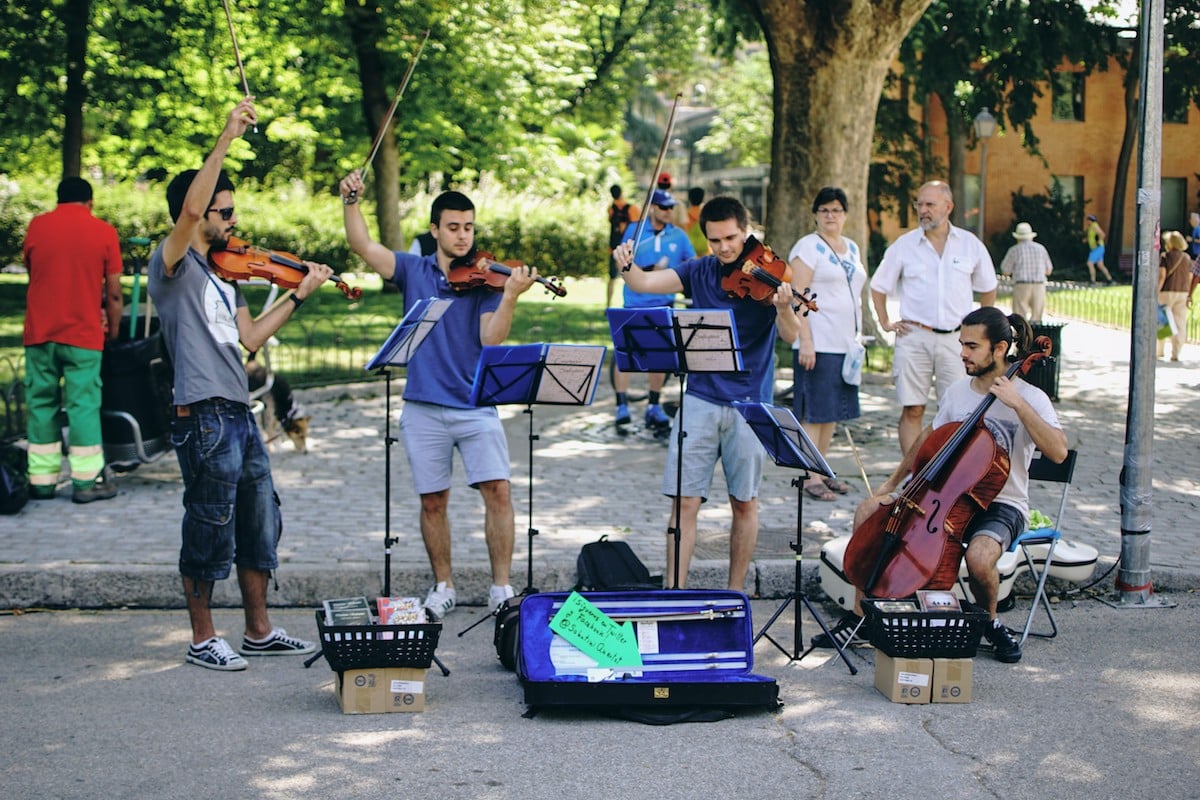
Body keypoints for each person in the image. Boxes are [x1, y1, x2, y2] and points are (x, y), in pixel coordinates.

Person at [149, 98, 330, 670]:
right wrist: (227, 135)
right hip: (200, 413)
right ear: (197, 213)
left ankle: (259, 629)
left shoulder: (230, 275)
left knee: (258, 518)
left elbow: (249, 339)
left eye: (232, 209)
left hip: (238, 411)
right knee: (209, 521)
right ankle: (203, 638)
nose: (231, 219)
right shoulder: (172, 262)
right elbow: (189, 213)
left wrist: (299, 295)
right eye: (222, 211)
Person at [339, 169, 537, 621]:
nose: (463, 236)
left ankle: (501, 589)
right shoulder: (414, 269)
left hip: (475, 404)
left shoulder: (488, 280)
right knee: (433, 500)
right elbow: (362, 246)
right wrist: (350, 202)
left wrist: (509, 297)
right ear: (434, 230)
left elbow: (492, 340)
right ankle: (443, 585)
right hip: (423, 406)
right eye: (453, 227)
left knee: (499, 492)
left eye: (468, 227)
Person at [818, 308, 1067, 664]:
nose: (962, 353)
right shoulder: (956, 393)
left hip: (1003, 503)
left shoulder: (1031, 396)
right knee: (869, 511)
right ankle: (863, 618)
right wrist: (892, 483)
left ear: (999, 349)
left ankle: (989, 623)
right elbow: (928, 440)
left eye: (972, 346)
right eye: (961, 344)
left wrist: (1018, 404)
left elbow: (1058, 452)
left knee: (979, 558)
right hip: (947, 495)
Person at [612, 196, 803, 591]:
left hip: (750, 403)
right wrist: (627, 265)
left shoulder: (770, 274)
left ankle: (736, 594)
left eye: (731, 238)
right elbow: (646, 283)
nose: (725, 248)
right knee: (684, 502)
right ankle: (674, 591)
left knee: (745, 503)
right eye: (715, 241)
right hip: (699, 396)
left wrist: (784, 307)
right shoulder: (699, 270)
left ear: (746, 230)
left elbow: (791, 334)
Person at [870, 181, 997, 455]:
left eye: (930, 204)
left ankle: (948, 475)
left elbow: (988, 286)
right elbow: (878, 286)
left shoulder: (969, 245)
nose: (923, 210)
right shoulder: (904, 246)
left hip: (957, 341)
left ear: (948, 207)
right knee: (913, 408)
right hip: (914, 337)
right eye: (920, 204)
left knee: (958, 409)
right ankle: (913, 477)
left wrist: (982, 331)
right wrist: (885, 322)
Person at [22, 177, 124, 503]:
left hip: (39, 331)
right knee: (83, 406)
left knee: (41, 404)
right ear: (90, 202)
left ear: (58, 200)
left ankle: (41, 481)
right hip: (83, 333)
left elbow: (32, 271)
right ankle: (85, 482)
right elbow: (115, 293)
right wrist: (116, 329)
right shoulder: (103, 231)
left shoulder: (37, 227)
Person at [787, 187, 867, 501]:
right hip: (817, 341)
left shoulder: (852, 247)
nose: (830, 216)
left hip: (844, 343)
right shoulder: (807, 247)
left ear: (845, 214)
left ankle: (823, 469)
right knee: (813, 413)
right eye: (824, 210)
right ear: (816, 214)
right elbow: (798, 295)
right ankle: (810, 477)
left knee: (831, 411)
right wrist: (805, 339)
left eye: (836, 210)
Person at [613, 188, 695, 429]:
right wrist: (649, 270)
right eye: (663, 208)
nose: (668, 212)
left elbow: (691, 264)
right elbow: (623, 263)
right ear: (652, 208)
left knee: (659, 358)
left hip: (663, 304)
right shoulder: (634, 230)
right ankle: (621, 404)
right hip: (634, 303)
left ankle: (654, 405)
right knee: (624, 356)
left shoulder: (679, 236)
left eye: (671, 208)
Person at [1000, 222, 1053, 323]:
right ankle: (1035, 337)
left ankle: (1022, 338)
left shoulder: (1014, 250)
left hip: (1021, 285)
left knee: (1020, 319)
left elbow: (1005, 270)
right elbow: (1048, 270)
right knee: (1037, 318)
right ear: (1031, 236)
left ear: (1018, 237)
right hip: (1039, 285)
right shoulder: (1041, 249)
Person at [1158, 230, 1191, 362]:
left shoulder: (1165, 257)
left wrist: (1156, 292)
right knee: (1180, 322)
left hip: (1167, 291)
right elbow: (1190, 276)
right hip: (1182, 292)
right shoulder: (1187, 258)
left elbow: (1162, 276)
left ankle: (1160, 350)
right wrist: (1188, 293)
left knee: (1162, 322)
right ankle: (1176, 352)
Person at [606, 184, 640, 309]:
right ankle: (630, 303)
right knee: (630, 277)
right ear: (622, 193)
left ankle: (608, 304)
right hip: (627, 249)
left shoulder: (611, 209)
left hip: (614, 248)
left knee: (612, 278)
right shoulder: (632, 209)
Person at [1085, 214, 1114, 285]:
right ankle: (1109, 279)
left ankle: (1092, 281)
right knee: (1100, 265)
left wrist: (1097, 243)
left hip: (1097, 248)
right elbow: (1093, 237)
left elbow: (1102, 234)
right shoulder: (1092, 226)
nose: (1087, 222)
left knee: (1090, 263)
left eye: (1088, 220)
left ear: (1090, 220)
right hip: (1099, 248)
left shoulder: (1094, 226)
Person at [685, 187, 708, 256]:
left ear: (689, 199)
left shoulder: (687, 215)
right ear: (703, 198)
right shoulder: (706, 215)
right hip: (705, 250)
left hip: (690, 250)